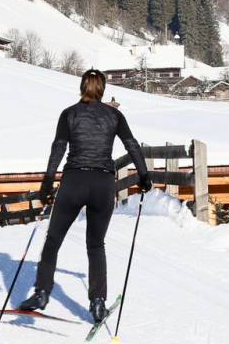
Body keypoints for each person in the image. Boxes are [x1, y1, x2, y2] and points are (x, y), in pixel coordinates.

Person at [17, 69, 152, 322]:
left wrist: (46, 184)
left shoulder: (69, 114)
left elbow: (58, 149)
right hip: (102, 184)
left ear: (82, 87)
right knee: (95, 245)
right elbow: (131, 144)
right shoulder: (114, 115)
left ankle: (42, 292)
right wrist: (144, 176)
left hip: (74, 181)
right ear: (101, 89)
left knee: (54, 239)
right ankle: (98, 302)